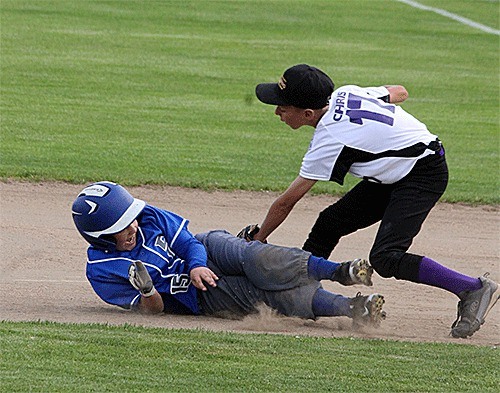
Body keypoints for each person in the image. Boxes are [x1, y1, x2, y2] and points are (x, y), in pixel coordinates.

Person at [249, 64, 499, 339]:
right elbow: (400, 92)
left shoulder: (329, 139)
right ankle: (300, 291)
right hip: (396, 170)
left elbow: (287, 202)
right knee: (329, 223)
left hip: (422, 174)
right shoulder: (347, 93)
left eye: (283, 107)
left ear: (308, 113)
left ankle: (472, 288)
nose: (277, 112)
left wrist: (259, 237)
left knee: (385, 257)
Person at [71, 181, 385, 328]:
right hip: (198, 296)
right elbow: (153, 311)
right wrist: (148, 290)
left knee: (258, 259)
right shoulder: (101, 272)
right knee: (263, 293)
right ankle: (354, 307)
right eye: (122, 226)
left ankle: (338, 271)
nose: (133, 227)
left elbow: (190, 243)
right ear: (99, 237)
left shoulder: (147, 216)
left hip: (206, 249)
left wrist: (196, 265)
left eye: (132, 218)